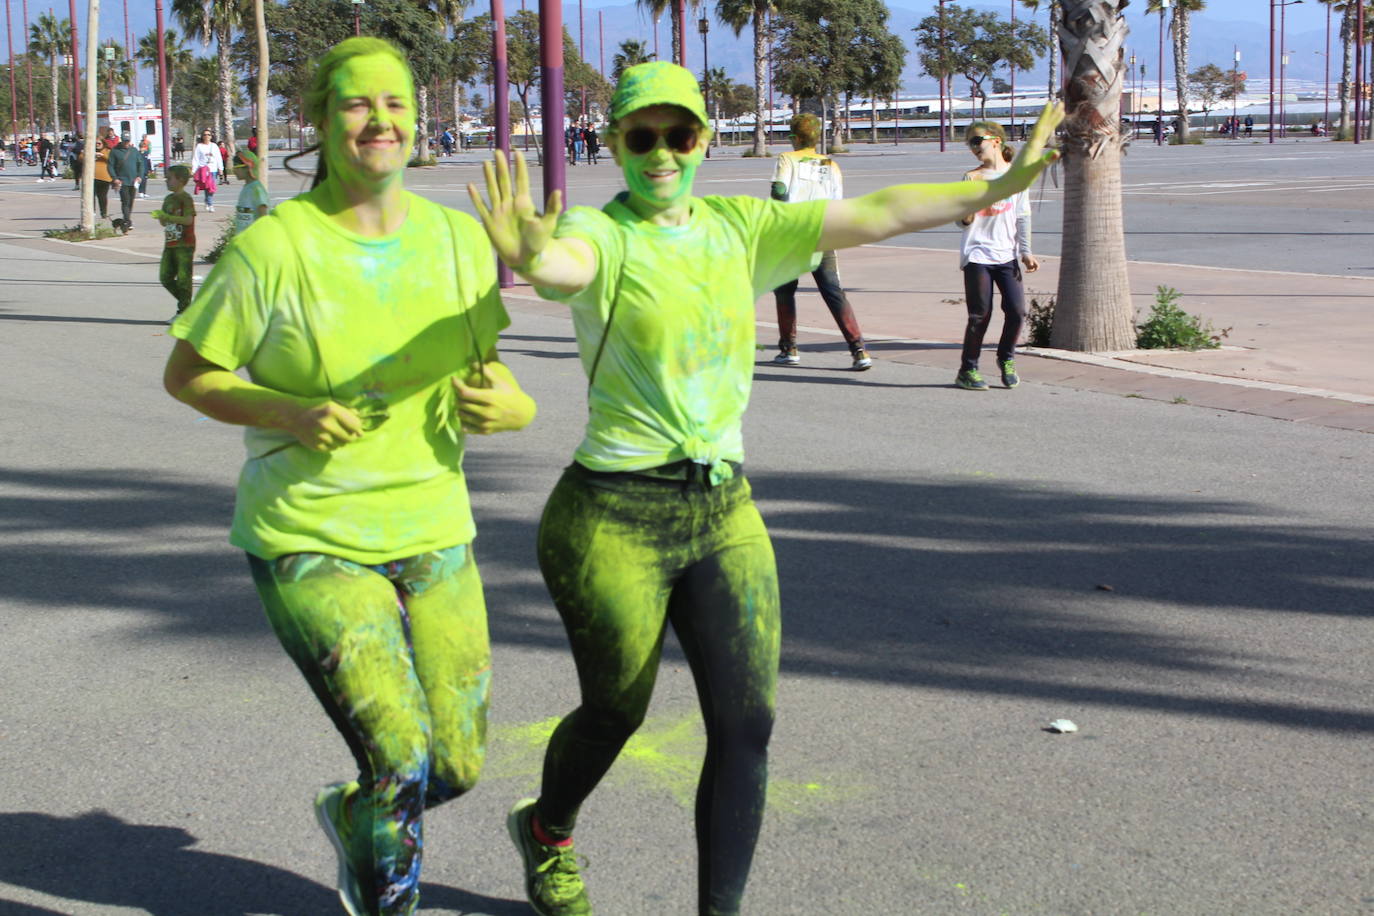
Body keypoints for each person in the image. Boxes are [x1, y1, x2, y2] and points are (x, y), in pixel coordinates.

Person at [467, 61, 1062, 916]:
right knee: (615, 713)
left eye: (680, 134)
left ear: (704, 141)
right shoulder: (606, 233)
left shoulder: (743, 228)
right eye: (642, 136)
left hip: (722, 510)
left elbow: (881, 212)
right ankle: (548, 828)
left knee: (746, 727)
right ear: (616, 144)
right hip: (610, 515)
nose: (662, 152)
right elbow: (562, 268)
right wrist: (528, 251)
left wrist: (1000, 184)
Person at [162, 36, 536, 916]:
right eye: (359, 104)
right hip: (310, 535)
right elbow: (188, 376)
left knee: (457, 764)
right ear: (322, 123)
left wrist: (515, 406)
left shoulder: (455, 239)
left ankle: (354, 812)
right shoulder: (275, 250)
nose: (381, 120)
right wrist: (286, 411)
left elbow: (490, 371)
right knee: (401, 757)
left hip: (436, 528)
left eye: (397, 103)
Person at [769, 112, 872, 371]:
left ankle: (789, 348)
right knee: (833, 291)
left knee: (784, 291)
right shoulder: (831, 164)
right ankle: (858, 349)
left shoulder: (787, 159)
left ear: (794, 137)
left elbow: (779, 190)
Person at [952, 120, 1038, 391]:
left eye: (978, 141)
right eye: (970, 144)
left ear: (996, 140)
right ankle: (968, 369)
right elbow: (960, 220)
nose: (974, 148)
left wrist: (1025, 251)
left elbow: (1022, 215)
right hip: (977, 253)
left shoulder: (1017, 175)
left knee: (1017, 311)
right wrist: (967, 215)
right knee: (980, 314)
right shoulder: (972, 177)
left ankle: (1006, 358)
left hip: (1007, 254)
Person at [152, 164, 197, 316]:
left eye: (169, 178)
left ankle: (184, 311)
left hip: (185, 244)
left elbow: (188, 220)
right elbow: (164, 223)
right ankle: (188, 305)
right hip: (170, 243)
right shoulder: (168, 199)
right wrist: (161, 217)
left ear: (180, 180)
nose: (166, 181)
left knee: (184, 279)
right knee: (165, 277)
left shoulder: (186, 199)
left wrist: (170, 217)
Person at [109, 132, 149, 234]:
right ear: (121, 140)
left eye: (128, 141)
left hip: (133, 181)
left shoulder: (134, 151)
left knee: (130, 202)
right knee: (125, 201)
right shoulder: (115, 151)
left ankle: (126, 220)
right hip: (122, 181)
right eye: (125, 141)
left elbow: (140, 164)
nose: (126, 143)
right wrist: (115, 178)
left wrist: (140, 176)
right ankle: (127, 222)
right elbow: (110, 166)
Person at [231, 148, 270, 235]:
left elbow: (263, 213)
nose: (234, 171)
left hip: (254, 242)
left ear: (248, 168)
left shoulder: (257, 189)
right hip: (243, 241)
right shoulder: (246, 188)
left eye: (237, 167)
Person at [190, 129, 223, 211]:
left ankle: (208, 201)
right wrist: (193, 170)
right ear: (202, 136)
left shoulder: (214, 146)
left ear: (211, 136)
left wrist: (220, 168)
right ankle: (210, 204)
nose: (207, 136)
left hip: (213, 169)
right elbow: (196, 159)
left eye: (208, 135)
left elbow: (218, 157)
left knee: (211, 187)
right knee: (207, 187)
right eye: (205, 135)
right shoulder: (199, 146)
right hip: (203, 170)